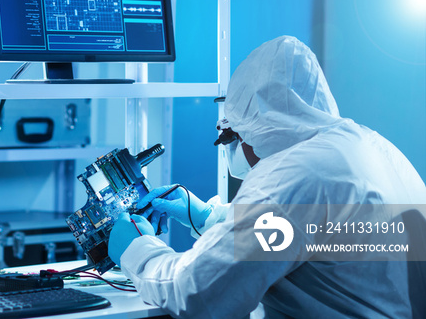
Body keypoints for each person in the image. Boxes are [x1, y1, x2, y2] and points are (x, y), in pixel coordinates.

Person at [107, 36, 426, 318]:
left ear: (254, 130)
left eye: (230, 137)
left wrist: (136, 249)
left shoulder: (293, 175)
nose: (232, 148)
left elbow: (198, 295)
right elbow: (305, 232)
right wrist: (208, 216)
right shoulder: (367, 146)